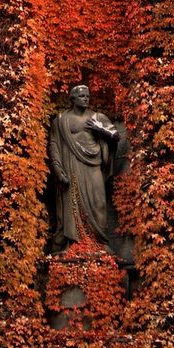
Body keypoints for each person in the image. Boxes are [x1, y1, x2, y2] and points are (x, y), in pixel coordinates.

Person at [49, 83, 119, 250]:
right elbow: (54, 144)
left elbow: (115, 135)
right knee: (73, 202)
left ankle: (100, 242)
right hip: (72, 164)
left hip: (94, 165)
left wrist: (101, 129)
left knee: (99, 202)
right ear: (73, 99)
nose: (86, 99)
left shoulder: (97, 117)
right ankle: (75, 244)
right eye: (82, 96)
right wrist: (57, 168)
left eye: (87, 96)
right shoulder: (61, 120)